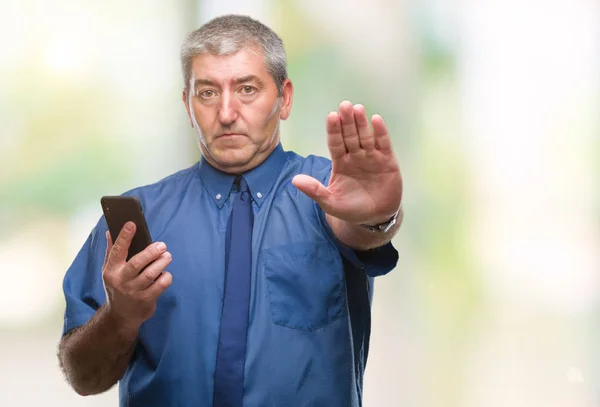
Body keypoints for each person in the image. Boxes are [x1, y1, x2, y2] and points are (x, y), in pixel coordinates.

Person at [58, 14, 403, 407]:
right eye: (207, 93)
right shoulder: (135, 223)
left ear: (284, 97)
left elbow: (359, 228)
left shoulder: (327, 192)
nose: (226, 113)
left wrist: (379, 218)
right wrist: (121, 316)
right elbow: (82, 377)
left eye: (247, 89)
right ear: (187, 104)